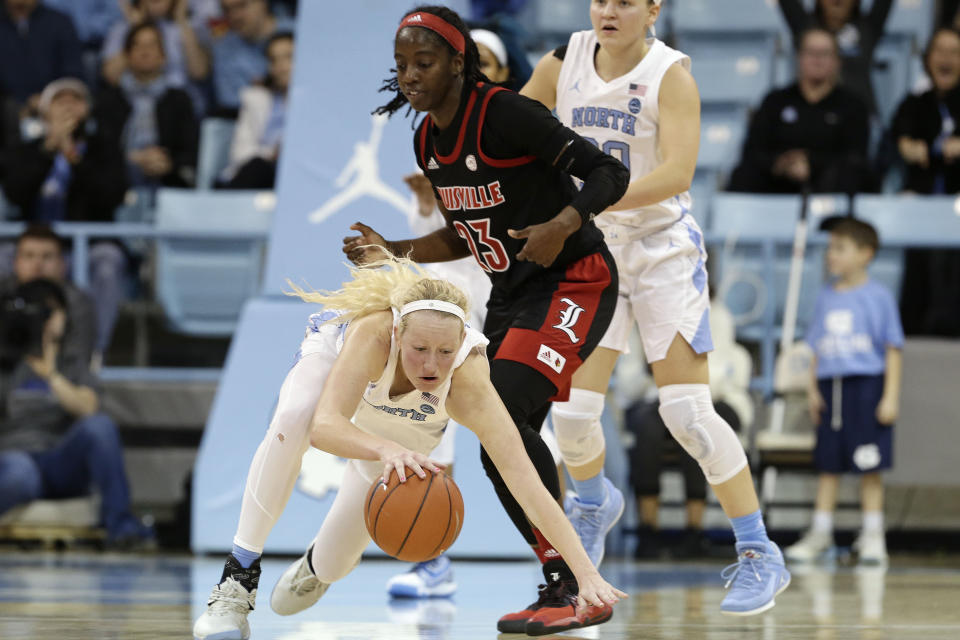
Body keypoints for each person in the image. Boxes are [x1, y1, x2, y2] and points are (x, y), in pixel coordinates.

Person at [342, 5, 630, 633]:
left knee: (500, 410)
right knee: (492, 439)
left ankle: (581, 579)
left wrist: (561, 225)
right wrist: (393, 248)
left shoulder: (503, 112)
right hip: (513, 295)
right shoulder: (425, 138)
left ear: (456, 62)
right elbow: (464, 236)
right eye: (401, 65)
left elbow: (611, 172)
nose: (411, 76)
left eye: (424, 62)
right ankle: (563, 581)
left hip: (574, 280)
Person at [191, 257, 627, 640]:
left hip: (403, 433)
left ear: (461, 344)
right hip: (341, 391)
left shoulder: (468, 380)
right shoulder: (373, 335)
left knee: (336, 563)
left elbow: (526, 482)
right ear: (398, 334)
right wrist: (383, 450)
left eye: (445, 351)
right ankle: (237, 580)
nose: (432, 365)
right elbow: (325, 428)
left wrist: (584, 574)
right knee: (295, 416)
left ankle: (317, 567)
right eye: (419, 349)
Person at [519, 0, 789, 615]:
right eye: (601, 0)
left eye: (624, 1)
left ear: (652, 10)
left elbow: (676, 173)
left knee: (688, 412)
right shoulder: (564, 59)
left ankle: (758, 551)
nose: (609, 10)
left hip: (661, 250)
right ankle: (592, 502)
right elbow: (514, 122)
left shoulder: (672, 75)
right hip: (593, 248)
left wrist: (580, 204)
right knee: (572, 417)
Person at [0, 276, 152, 548]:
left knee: (100, 426)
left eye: (49, 312)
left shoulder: (71, 362)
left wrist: (52, 377)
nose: (44, 321)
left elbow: (89, 407)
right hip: (13, 459)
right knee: (21, 473)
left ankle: (122, 528)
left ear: (63, 316)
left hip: (61, 459)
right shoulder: (6, 361)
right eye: (36, 313)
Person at [785, 218, 903, 566]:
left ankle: (872, 536)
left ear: (865, 254)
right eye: (830, 248)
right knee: (829, 465)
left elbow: (892, 348)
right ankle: (820, 534)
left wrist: (890, 396)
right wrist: (812, 389)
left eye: (840, 248)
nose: (831, 255)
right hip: (829, 388)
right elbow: (816, 347)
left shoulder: (879, 297)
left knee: (869, 465)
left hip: (867, 387)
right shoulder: (825, 296)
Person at [2, 78, 129, 356]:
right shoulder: (27, 149)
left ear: (88, 110)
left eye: (76, 100)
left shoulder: (103, 149)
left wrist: (74, 159)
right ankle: (10, 350)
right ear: (45, 111)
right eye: (60, 100)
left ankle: (94, 351)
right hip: (35, 245)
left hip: (87, 245)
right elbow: (16, 193)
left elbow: (110, 197)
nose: (69, 106)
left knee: (109, 261)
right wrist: (48, 151)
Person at [728, 28, 871, 194]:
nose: (817, 59)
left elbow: (856, 156)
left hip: (830, 185)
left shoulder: (852, 105)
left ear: (837, 61)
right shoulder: (775, 101)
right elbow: (754, 150)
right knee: (744, 174)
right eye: (811, 52)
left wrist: (811, 163)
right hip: (776, 182)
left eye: (824, 53)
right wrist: (782, 163)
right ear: (799, 57)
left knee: (854, 175)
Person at [96, 21, 200, 189]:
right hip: (117, 182)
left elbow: (191, 151)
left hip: (168, 181)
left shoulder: (179, 100)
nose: (145, 52)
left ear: (164, 56)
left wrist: (168, 163)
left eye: (152, 45)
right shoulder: (109, 100)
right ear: (127, 56)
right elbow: (99, 150)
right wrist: (131, 159)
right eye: (137, 45)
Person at [778, 0, 894, 116]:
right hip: (811, 116)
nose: (837, 1)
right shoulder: (805, 25)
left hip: (860, 116)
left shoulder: (868, 27)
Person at [217, 31, 293, 190]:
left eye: (288, 57)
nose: (281, 67)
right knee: (258, 167)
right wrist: (272, 153)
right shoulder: (255, 99)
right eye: (274, 60)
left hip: (294, 174)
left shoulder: (316, 104)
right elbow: (240, 153)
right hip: (259, 174)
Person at [892, 28, 960, 195]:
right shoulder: (913, 103)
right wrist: (907, 147)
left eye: (954, 52)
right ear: (927, 58)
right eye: (939, 50)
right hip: (920, 190)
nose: (946, 58)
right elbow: (899, 138)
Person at [101, 0, 210, 90]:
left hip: (179, 101)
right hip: (134, 99)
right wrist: (136, 30)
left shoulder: (186, 27)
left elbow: (199, 72)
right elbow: (111, 75)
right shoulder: (122, 29)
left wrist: (181, 19)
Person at [210, 0, 293, 114]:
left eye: (241, 5)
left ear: (263, 3)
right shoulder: (224, 49)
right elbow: (232, 104)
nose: (235, 16)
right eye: (227, 9)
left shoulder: (300, 32)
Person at [0, 0, 83, 109]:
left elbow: (72, 74)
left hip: (52, 106)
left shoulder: (59, 22)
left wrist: (48, 98)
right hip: (7, 109)